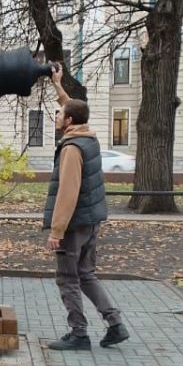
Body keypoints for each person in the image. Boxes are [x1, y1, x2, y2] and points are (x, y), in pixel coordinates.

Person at [43, 64, 129, 351]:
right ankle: (115, 323)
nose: (57, 115)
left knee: (67, 278)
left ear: (68, 121)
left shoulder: (70, 149)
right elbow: (72, 106)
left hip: (74, 223)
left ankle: (78, 333)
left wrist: (57, 230)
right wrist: (58, 86)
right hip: (91, 220)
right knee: (86, 273)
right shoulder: (87, 136)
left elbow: (67, 192)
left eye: (59, 114)